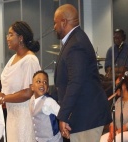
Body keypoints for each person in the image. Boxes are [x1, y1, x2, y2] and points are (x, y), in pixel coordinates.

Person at [53, 4, 112, 142]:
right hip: (83, 117)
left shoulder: (76, 44)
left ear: (64, 22)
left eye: (55, 23)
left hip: (86, 117)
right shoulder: (74, 40)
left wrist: (63, 115)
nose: (54, 27)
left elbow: (76, 82)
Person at [0, 21, 41, 142]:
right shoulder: (13, 58)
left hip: (25, 117)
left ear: (20, 38)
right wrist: (1, 97)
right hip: (12, 116)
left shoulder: (30, 60)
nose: (7, 38)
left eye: (10, 35)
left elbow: (28, 92)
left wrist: (4, 98)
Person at [29, 70, 63, 142]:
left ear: (47, 88)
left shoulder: (49, 101)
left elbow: (62, 114)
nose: (42, 84)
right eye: (38, 81)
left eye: (45, 82)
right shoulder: (32, 100)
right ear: (32, 87)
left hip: (53, 140)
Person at [100, 74, 128, 142]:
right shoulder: (118, 101)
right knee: (102, 139)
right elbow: (113, 121)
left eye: (117, 85)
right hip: (118, 133)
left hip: (126, 131)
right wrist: (111, 133)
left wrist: (118, 132)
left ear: (124, 86)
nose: (116, 88)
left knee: (118, 139)